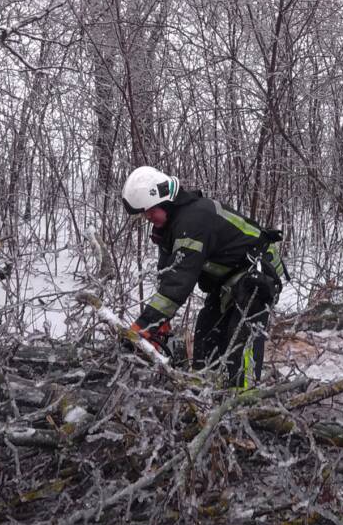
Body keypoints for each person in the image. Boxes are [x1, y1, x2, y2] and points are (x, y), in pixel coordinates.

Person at [121, 166, 285, 388]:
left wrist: (145, 324)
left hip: (257, 273)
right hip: (228, 281)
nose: (148, 217)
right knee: (206, 335)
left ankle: (246, 401)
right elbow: (168, 275)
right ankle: (205, 393)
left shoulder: (194, 220)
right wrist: (161, 321)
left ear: (165, 202)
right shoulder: (169, 229)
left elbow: (180, 280)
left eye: (150, 210)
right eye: (144, 213)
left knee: (241, 337)